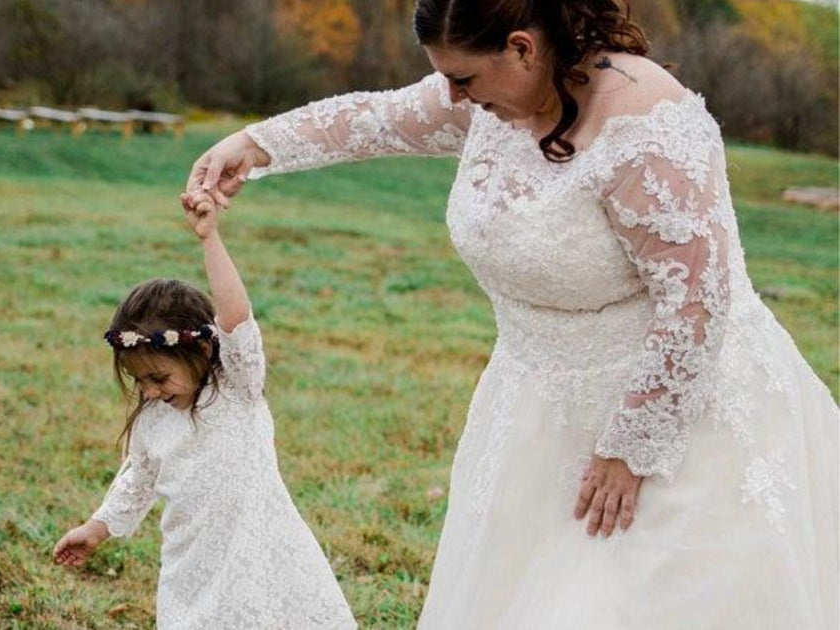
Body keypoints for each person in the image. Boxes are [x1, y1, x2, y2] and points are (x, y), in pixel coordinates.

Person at [182, 1, 838, 628]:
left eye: (463, 78)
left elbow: (696, 302)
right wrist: (254, 144)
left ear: (522, 48)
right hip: (533, 410)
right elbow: (375, 119)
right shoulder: (490, 102)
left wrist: (632, 448)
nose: (453, 96)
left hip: (674, 414)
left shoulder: (646, 126)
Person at [52, 197, 357, 630]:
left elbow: (235, 318)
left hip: (262, 553)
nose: (149, 391)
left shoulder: (236, 388)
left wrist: (210, 238)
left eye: (158, 377)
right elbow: (137, 481)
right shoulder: (153, 421)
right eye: (139, 380)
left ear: (200, 349)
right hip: (192, 566)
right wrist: (96, 527)